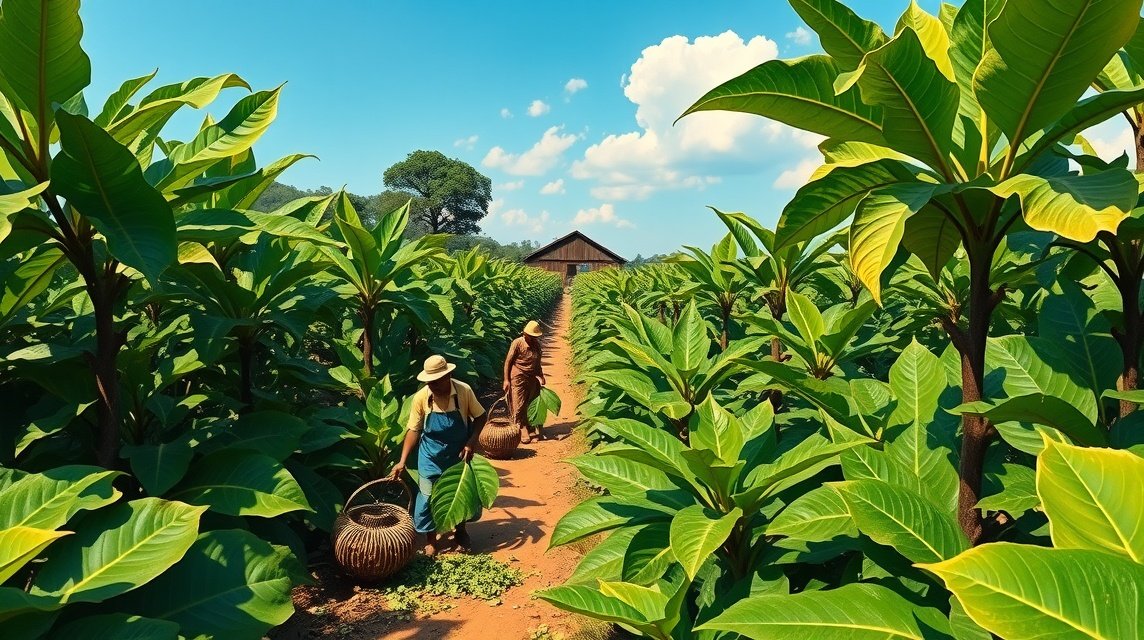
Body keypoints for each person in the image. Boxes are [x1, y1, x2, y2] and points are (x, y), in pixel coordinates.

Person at [389, 355, 487, 557]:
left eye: (436, 381)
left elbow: (480, 416)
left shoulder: (463, 391)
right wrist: (402, 461)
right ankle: (431, 539)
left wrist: (471, 442)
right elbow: (414, 430)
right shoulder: (422, 397)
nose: (432, 386)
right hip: (430, 456)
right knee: (427, 497)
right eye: (429, 382)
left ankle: (460, 531)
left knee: (458, 494)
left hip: (458, 455)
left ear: (448, 375)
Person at [503, 320, 547, 444]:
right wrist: (506, 380)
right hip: (518, 376)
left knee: (531, 402)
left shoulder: (536, 345)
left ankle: (530, 426)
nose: (533, 338)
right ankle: (521, 427)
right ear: (525, 333)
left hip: (532, 377)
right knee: (519, 403)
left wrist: (541, 375)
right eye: (531, 336)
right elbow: (508, 361)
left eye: (535, 336)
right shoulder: (517, 343)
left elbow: (537, 361)